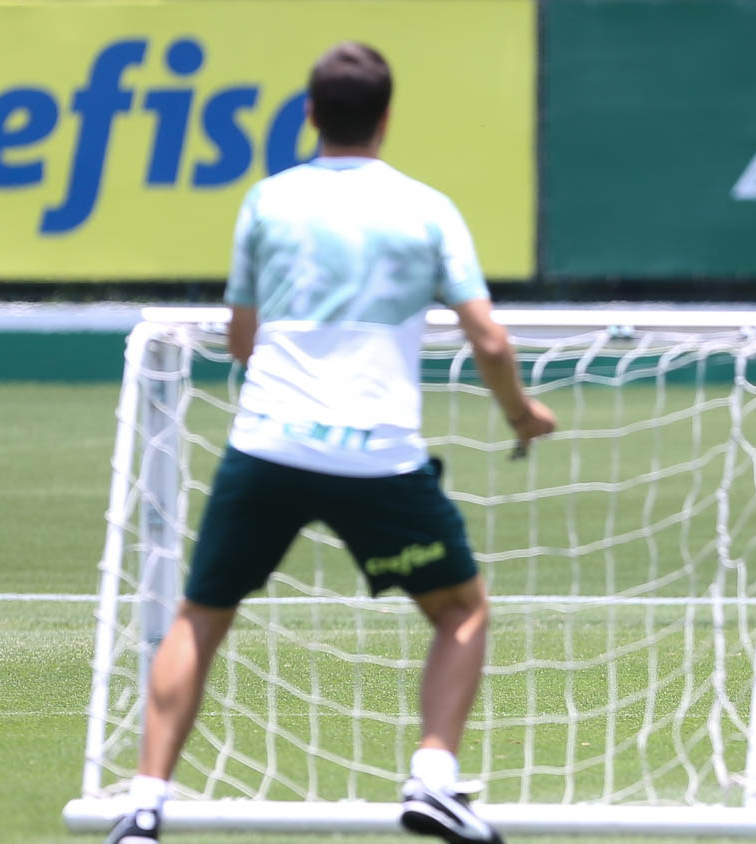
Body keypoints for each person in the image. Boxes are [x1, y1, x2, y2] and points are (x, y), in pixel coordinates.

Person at [105, 42, 555, 844]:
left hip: (268, 445)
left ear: (310, 115)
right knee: (460, 611)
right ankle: (433, 780)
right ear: (386, 120)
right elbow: (488, 338)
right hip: (375, 454)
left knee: (201, 614)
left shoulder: (267, 202)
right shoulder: (426, 207)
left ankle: (144, 802)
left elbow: (243, 339)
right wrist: (521, 414)